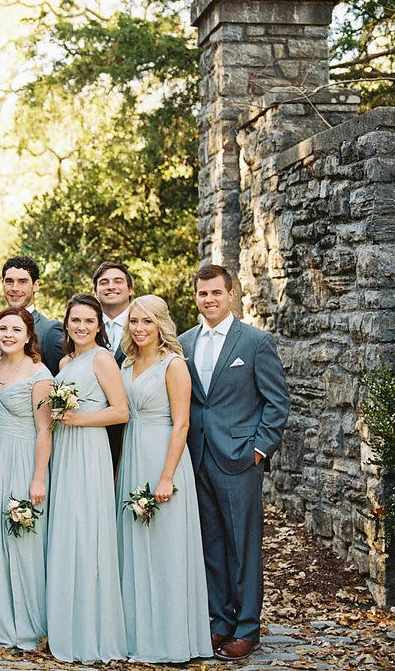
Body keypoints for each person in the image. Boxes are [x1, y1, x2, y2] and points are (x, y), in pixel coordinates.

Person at [179, 265, 290, 661]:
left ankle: (247, 628)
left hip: (240, 459)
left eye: (215, 293)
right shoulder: (184, 343)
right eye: (202, 293)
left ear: (231, 295)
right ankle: (218, 622)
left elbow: (277, 403)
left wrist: (259, 450)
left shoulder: (256, 341)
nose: (208, 299)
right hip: (197, 457)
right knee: (209, 544)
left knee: (243, 546)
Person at [116, 295, 212, 662]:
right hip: (132, 455)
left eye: (147, 322)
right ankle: (135, 635)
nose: (139, 329)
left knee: (165, 549)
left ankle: (170, 640)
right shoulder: (127, 362)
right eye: (134, 322)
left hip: (163, 457)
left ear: (161, 325)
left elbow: (182, 423)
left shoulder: (174, 365)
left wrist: (167, 477)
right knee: (134, 545)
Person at [44, 293, 128, 663]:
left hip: (89, 449)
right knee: (65, 530)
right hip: (64, 450)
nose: (81, 327)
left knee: (86, 530)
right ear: (67, 324)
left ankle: (92, 629)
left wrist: (78, 419)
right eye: (75, 320)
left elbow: (121, 412)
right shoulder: (66, 360)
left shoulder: (102, 359)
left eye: (88, 321)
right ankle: (65, 620)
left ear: (99, 326)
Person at [0, 307, 54, 650]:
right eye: (3, 328)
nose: (8, 334)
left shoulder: (40, 374)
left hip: (24, 459)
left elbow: (44, 430)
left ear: (28, 335)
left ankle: (26, 624)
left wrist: (38, 479)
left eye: (15, 329)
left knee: (23, 539)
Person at [0, 256, 64, 371]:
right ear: (2, 284)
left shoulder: (49, 331)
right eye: (9, 281)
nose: (14, 288)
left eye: (22, 282)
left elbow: (60, 384)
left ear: (36, 285)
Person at [93, 261, 135, 473]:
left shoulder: (145, 325)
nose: (111, 287)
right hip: (94, 425)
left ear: (130, 289)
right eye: (104, 282)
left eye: (118, 282)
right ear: (95, 291)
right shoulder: (84, 327)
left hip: (134, 423)